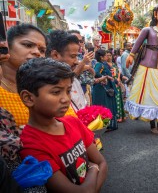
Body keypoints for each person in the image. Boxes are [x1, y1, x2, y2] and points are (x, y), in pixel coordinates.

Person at [18, 58, 107, 192]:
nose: (66, 99)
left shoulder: (73, 122)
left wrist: (94, 171)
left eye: (68, 91)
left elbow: (103, 162)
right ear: (29, 98)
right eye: (56, 92)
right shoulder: (30, 145)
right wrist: (93, 169)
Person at [0, 24, 75, 127]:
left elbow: (72, 121)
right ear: (6, 46)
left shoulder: (48, 85)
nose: (37, 53)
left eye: (42, 50)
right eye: (28, 45)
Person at [125, 0, 158, 134]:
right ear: (155, 14)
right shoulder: (147, 30)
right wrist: (131, 55)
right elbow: (136, 45)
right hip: (147, 68)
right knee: (149, 97)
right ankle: (152, 125)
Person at [46, 30, 88, 112]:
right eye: (73, 56)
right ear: (55, 55)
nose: (76, 62)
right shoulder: (44, 85)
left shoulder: (74, 80)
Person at [92, 49, 118, 131]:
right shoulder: (99, 64)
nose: (107, 57)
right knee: (103, 106)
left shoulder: (103, 64)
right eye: (105, 55)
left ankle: (107, 125)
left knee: (106, 106)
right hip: (101, 89)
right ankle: (104, 125)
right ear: (101, 57)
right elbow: (95, 73)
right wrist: (105, 77)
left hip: (104, 89)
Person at [105, 50, 126, 123]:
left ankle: (120, 116)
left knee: (119, 100)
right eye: (107, 55)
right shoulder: (105, 65)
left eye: (110, 55)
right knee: (114, 101)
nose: (108, 57)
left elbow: (118, 72)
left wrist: (121, 78)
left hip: (118, 84)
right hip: (111, 84)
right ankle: (115, 117)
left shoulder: (114, 64)